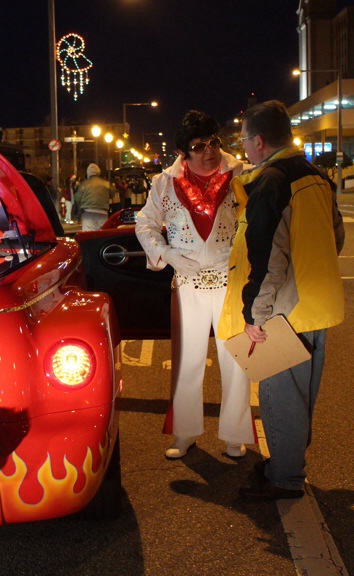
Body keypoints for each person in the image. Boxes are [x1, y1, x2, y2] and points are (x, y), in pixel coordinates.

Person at [221, 100, 345, 500]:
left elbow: (267, 257)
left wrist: (255, 314)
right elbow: (336, 236)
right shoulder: (316, 176)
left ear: (259, 141)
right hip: (318, 302)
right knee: (302, 394)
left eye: (244, 140)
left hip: (284, 310)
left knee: (282, 396)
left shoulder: (271, 181)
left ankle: (285, 478)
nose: (243, 147)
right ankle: (286, 465)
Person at [136, 111, 255, 460]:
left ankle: (235, 433)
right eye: (199, 146)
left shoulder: (241, 174)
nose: (209, 151)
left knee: (236, 361)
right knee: (187, 361)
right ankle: (185, 432)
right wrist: (166, 253)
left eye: (214, 142)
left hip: (231, 279)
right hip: (187, 282)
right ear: (184, 152)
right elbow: (145, 223)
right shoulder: (164, 183)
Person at [72, 163, 114, 231]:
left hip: (88, 213)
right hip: (103, 212)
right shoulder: (106, 183)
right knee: (102, 232)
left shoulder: (84, 184)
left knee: (88, 233)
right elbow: (112, 195)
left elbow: (77, 198)